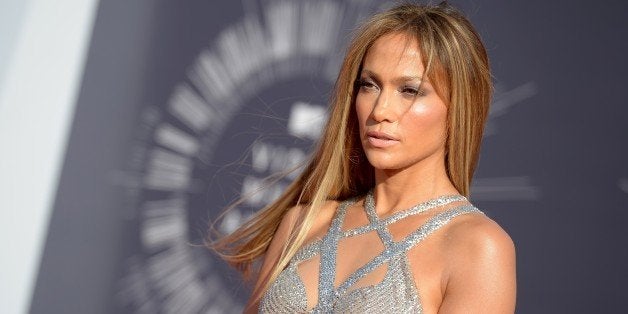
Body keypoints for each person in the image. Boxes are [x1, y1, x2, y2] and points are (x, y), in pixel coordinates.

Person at [210, 2, 516, 313]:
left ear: (460, 107)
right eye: (369, 85)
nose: (380, 110)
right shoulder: (304, 223)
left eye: (409, 90)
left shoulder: (477, 246)